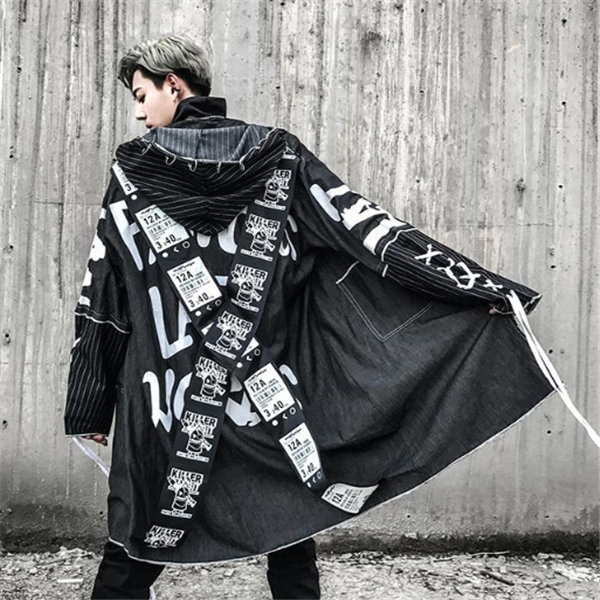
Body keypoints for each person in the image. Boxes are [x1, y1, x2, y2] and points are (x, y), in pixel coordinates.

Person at [64, 34, 563, 600]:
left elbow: (103, 294)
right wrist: (477, 287)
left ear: (173, 86)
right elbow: (366, 231)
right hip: (268, 398)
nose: (138, 113)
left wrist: (90, 400)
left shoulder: (132, 172)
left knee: (133, 548)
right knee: (288, 529)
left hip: (166, 407)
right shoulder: (280, 157)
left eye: (141, 95)